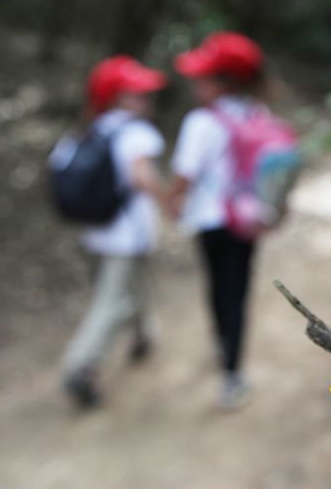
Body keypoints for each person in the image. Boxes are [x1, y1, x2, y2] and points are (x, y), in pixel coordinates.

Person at [58, 56, 168, 408]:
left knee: (132, 289)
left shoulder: (86, 131)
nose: (146, 100)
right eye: (137, 93)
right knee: (111, 302)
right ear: (116, 97)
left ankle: (143, 336)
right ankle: (81, 366)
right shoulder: (137, 133)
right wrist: (172, 202)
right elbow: (142, 177)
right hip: (127, 237)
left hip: (93, 234)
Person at [169, 32, 266, 409]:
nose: (196, 83)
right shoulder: (258, 114)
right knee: (237, 291)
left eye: (203, 76)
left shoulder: (201, 122)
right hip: (246, 220)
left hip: (211, 221)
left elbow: (184, 175)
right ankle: (232, 366)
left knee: (217, 290)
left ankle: (226, 360)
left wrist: (173, 200)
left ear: (223, 80)